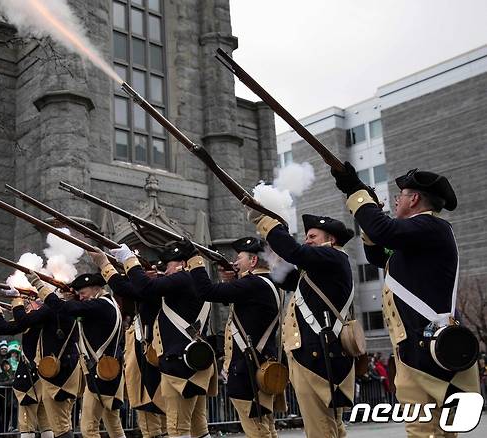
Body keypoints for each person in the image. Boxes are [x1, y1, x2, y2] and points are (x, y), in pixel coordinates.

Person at [331, 164, 480, 437]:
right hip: (416, 346)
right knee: (434, 429)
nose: (396, 199)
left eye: (401, 194)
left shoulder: (430, 226)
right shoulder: (418, 237)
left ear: (414, 200)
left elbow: (384, 230)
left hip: (426, 346)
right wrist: (366, 210)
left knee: (425, 429)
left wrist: (357, 191)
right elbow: (379, 254)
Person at [249, 211, 356, 437]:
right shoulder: (320, 268)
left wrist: (264, 220)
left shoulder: (333, 257)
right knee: (331, 426)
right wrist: (272, 253)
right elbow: (288, 279)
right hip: (318, 355)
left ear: (331, 240)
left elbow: (295, 252)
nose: (307, 241)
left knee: (319, 427)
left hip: (317, 357)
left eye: (312, 236)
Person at [109, 241, 216, 438]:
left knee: (178, 429)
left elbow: (145, 287)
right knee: (198, 428)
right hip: (194, 363)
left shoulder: (184, 279)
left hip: (179, 368)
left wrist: (129, 259)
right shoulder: (196, 281)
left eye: (168, 267)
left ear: (182, 264)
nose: (165, 272)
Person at [187, 237, 281, 438]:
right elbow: (242, 305)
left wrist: (194, 259)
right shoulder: (267, 282)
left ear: (253, 261)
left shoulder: (253, 284)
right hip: (261, 364)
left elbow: (206, 291)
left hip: (247, 369)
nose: (235, 263)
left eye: (239, 258)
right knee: (266, 428)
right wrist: (231, 281)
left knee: (257, 430)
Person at [28, 272, 126, 438]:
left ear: (96, 289)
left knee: (88, 428)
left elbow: (65, 308)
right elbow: (75, 308)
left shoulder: (100, 305)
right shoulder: (109, 303)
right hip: (108, 373)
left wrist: (39, 285)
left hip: (99, 375)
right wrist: (70, 297)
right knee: (114, 426)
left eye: (83, 294)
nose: (80, 298)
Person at [89, 248, 167, 438]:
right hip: (154, 356)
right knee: (162, 421)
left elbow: (122, 288)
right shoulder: (167, 289)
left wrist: (104, 264)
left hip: (151, 358)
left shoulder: (158, 291)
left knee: (154, 419)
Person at [0, 296, 55, 438]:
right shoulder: (53, 315)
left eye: (29, 303)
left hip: (30, 376)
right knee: (46, 422)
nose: (26, 305)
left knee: (26, 423)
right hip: (48, 375)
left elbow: (1, 328)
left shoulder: (32, 320)